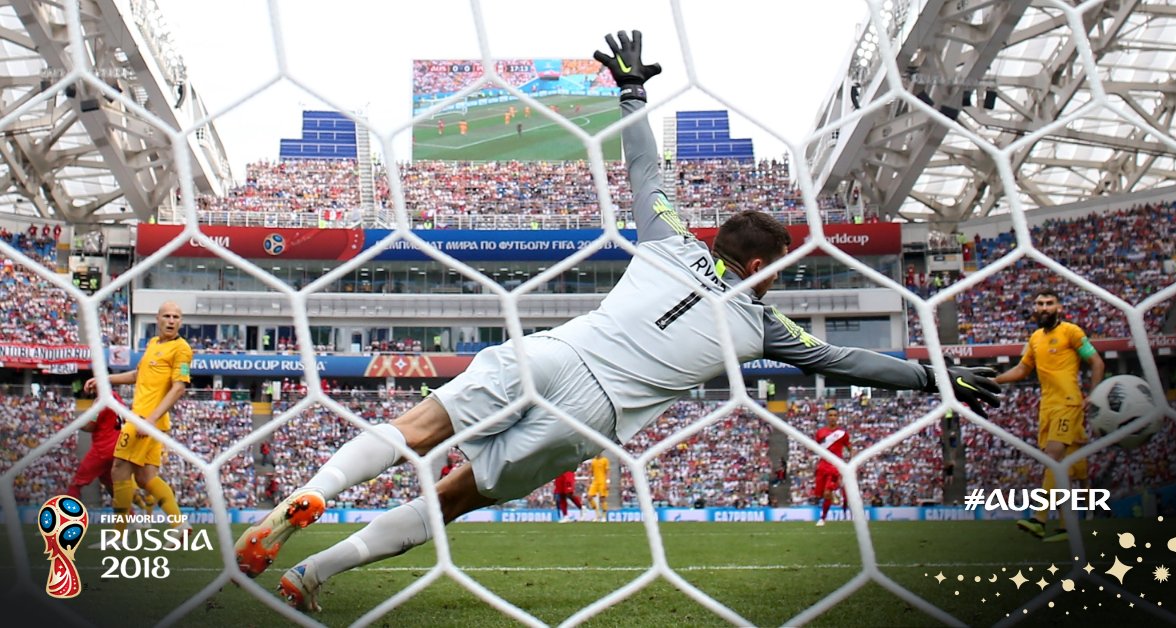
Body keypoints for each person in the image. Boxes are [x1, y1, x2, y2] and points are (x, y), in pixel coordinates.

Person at [237, 30, 999, 613]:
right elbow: (846, 363)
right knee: (455, 497)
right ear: (763, 265)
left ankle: (311, 495)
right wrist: (930, 374)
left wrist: (631, 93)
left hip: (554, 356)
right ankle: (313, 575)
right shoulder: (765, 326)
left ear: (718, 239)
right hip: (589, 418)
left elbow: (643, 169)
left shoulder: (670, 236)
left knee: (417, 429)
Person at [995, 288, 1104, 542]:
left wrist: (1094, 395)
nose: (1044, 307)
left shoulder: (1071, 332)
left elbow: (1097, 363)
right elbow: (1022, 369)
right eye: (1040, 303)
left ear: (1059, 308)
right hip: (1047, 408)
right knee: (1069, 470)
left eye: (1049, 303)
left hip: (1069, 404)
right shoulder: (1034, 338)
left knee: (1054, 458)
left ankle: (1039, 519)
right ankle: (1068, 528)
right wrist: (995, 379)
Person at [85, 301, 192, 535]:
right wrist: (105, 380)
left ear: (181, 321)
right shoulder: (154, 344)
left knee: (118, 470)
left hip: (146, 419)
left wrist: (150, 419)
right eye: (167, 316)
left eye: (176, 317)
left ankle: (119, 535)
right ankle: (179, 523)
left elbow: (179, 387)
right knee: (145, 478)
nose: (172, 320)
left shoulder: (181, 349)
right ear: (158, 319)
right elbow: (138, 374)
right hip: (148, 420)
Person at [65, 391, 126, 500]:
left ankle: (66, 515)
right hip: (118, 448)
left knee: (76, 484)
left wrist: (76, 423)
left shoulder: (101, 400)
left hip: (103, 449)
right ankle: (128, 515)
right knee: (111, 486)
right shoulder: (118, 399)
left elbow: (90, 426)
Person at [813, 406, 851, 527]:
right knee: (820, 494)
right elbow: (817, 448)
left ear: (838, 417)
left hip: (835, 466)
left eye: (835, 415)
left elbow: (850, 448)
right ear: (826, 417)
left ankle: (822, 518)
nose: (833, 418)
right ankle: (836, 492)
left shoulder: (843, 434)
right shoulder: (820, 433)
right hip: (823, 465)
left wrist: (852, 462)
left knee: (827, 492)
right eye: (830, 415)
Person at [586, 453, 610, 523]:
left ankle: (604, 516)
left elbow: (608, 471)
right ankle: (597, 514)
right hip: (595, 482)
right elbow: (590, 472)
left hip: (603, 481)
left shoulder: (605, 460)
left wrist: (608, 482)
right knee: (589, 497)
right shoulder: (593, 461)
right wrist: (588, 481)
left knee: (602, 499)